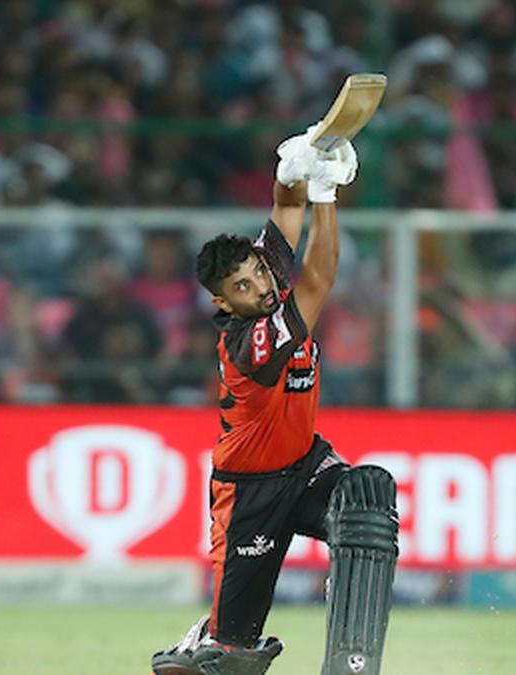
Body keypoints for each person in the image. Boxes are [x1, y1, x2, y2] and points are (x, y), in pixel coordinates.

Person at [151, 129, 399, 675]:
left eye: (259, 272)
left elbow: (285, 209)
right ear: (221, 302)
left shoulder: (269, 280)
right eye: (241, 286)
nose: (260, 287)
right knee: (234, 658)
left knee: (366, 496)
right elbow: (321, 277)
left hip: (305, 467)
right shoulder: (250, 344)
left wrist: (291, 170)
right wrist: (326, 192)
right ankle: (204, 644)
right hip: (249, 494)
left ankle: (350, 666)